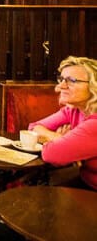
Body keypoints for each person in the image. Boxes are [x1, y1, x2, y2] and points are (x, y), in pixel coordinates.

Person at [29, 55, 97, 190]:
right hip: (85, 180)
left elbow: (51, 154)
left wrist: (60, 143)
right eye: (61, 79)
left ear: (93, 86)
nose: (61, 86)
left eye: (71, 80)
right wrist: (59, 138)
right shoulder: (73, 110)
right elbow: (33, 128)